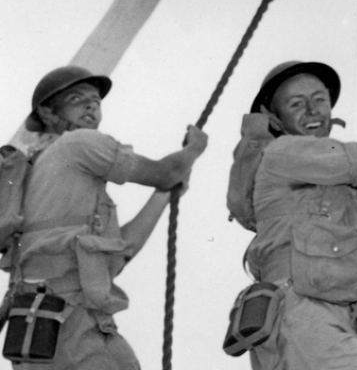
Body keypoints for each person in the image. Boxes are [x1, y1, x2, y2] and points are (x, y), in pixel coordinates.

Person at [226, 61, 357, 370]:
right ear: (275, 122)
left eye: (319, 99)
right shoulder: (283, 153)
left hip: (329, 323)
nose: (312, 110)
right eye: (296, 104)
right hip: (303, 315)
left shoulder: (352, 200)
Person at [4, 65, 208, 369]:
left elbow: (120, 253)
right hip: (73, 323)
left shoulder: (34, 174)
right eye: (77, 98)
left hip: (38, 331)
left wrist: (163, 196)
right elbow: (167, 172)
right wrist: (194, 149)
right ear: (47, 113)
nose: (91, 105)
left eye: (95, 101)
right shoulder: (79, 143)